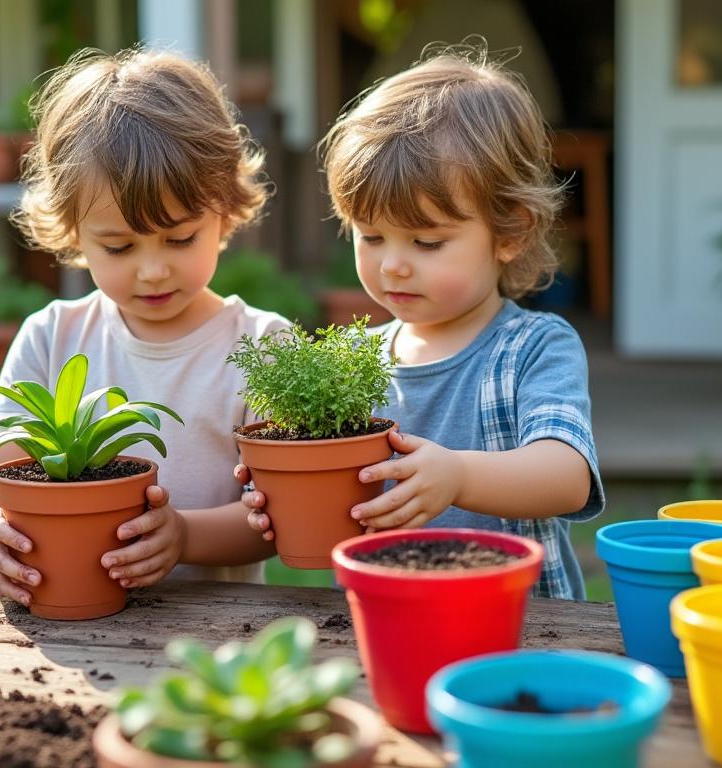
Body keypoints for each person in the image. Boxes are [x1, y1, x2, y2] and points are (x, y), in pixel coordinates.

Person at [242, 44, 604, 599]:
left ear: (510, 232)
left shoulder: (533, 347)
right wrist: (283, 491)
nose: (393, 264)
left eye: (427, 241)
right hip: (386, 618)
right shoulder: (354, 362)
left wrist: (457, 476)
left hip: (518, 629)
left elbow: (566, 477)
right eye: (371, 235)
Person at [0, 48, 281, 607]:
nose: (152, 270)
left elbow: (277, 515)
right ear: (74, 231)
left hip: (216, 631)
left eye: (180, 239)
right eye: (119, 246)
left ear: (224, 212)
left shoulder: (260, 346)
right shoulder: (52, 337)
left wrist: (185, 537)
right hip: (68, 621)